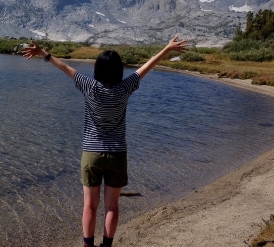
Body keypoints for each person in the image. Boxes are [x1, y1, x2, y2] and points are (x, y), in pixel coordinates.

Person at [22, 36, 189, 247]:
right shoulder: (125, 88)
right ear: (119, 70)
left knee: (89, 207)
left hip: (91, 154)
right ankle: (107, 246)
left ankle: (88, 245)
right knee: (112, 207)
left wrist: (43, 53)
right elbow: (147, 66)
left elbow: (64, 67)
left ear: (98, 70)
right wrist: (167, 48)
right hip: (117, 155)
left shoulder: (89, 87)